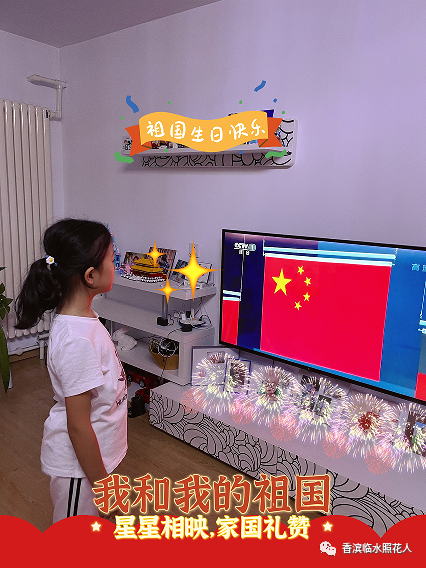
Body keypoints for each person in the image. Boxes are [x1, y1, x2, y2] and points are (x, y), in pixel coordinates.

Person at [15, 218, 127, 523]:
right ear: (91, 276)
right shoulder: (76, 339)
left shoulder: (85, 320)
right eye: (112, 260)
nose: (116, 266)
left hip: (94, 458)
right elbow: (78, 426)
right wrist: (104, 490)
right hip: (79, 469)